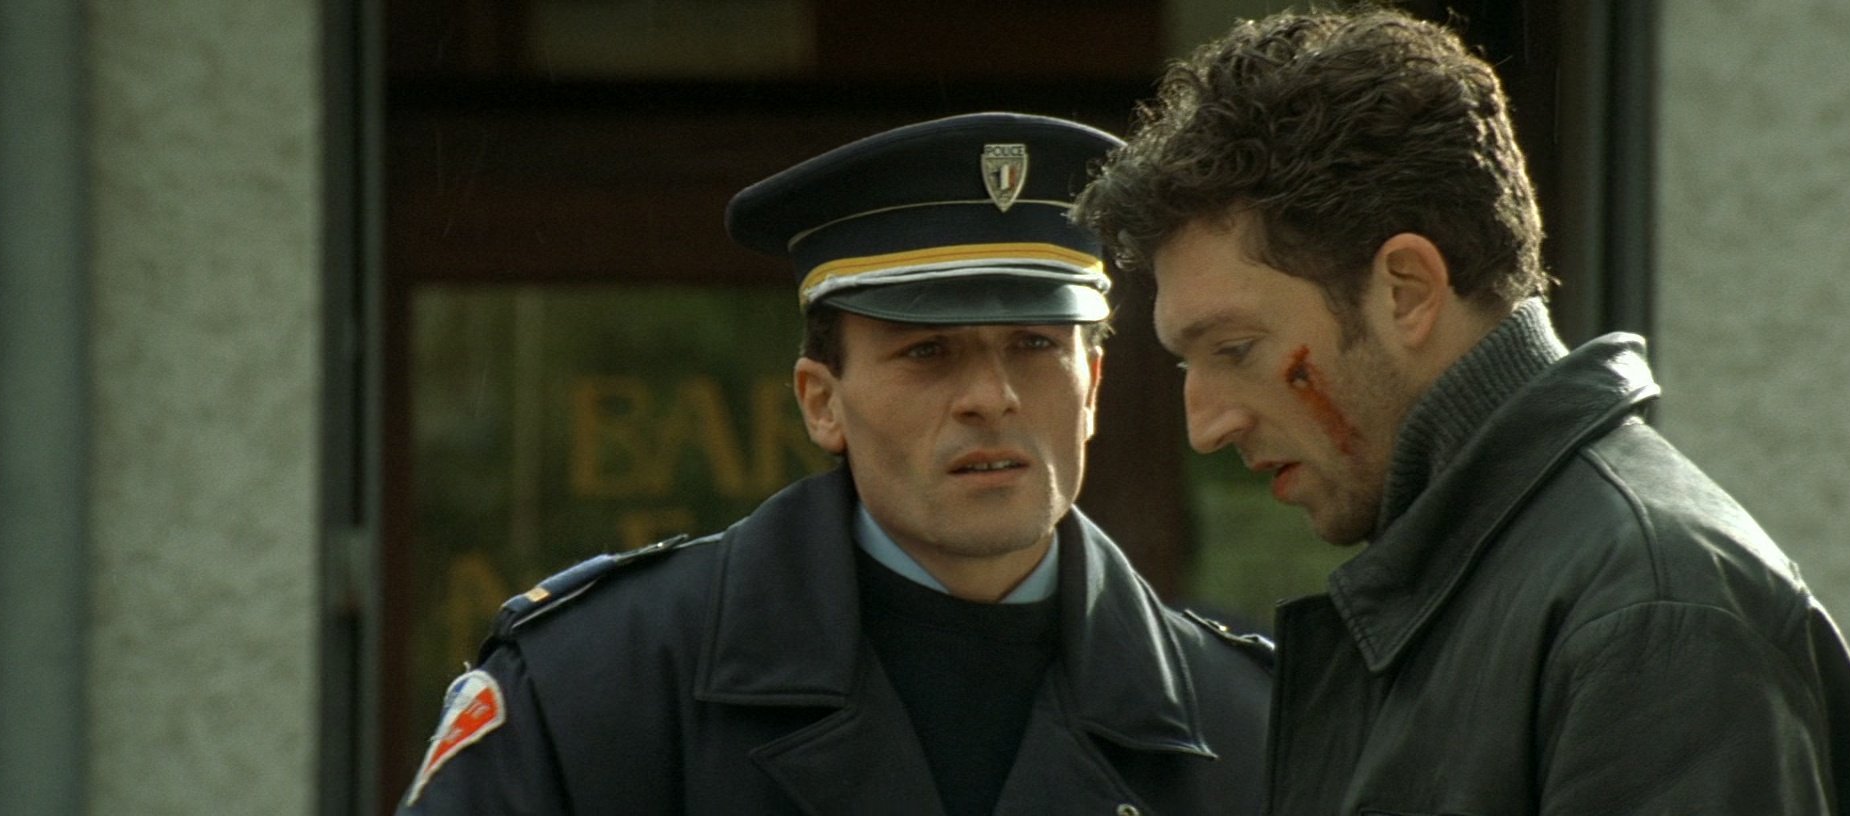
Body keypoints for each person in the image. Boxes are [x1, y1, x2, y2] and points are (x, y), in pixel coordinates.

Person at [1072, 8, 1850, 815]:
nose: (1206, 426)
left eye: (1236, 349)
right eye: (1186, 363)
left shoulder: (1652, 608)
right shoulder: (1510, 584)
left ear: (1407, 290)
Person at [398, 111, 1272, 815]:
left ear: (1093, 389)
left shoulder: (1248, 724)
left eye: (1035, 344)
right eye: (928, 352)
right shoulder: (600, 684)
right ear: (822, 402)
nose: (992, 397)